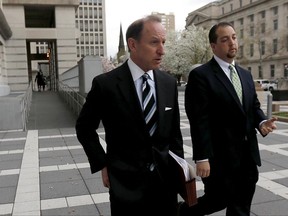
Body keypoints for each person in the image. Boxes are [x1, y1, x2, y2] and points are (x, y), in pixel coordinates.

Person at [75, 15, 184, 216]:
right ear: (132, 45)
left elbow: (174, 133)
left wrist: (179, 170)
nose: (162, 50)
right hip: (125, 185)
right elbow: (84, 127)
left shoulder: (168, 83)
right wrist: (102, 162)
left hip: (165, 185)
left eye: (163, 42)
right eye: (154, 42)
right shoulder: (105, 85)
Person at [180, 22, 277, 216]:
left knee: (241, 207)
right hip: (219, 160)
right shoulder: (201, 76)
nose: (232, 43)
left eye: (233, 37)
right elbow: (199, 121)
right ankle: (181, 212)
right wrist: (202, 158)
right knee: (216, 200)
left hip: (247, 157)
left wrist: (261, 122)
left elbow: (252, 107)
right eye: (225, 40)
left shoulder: (246, 75)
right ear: (213, 46)